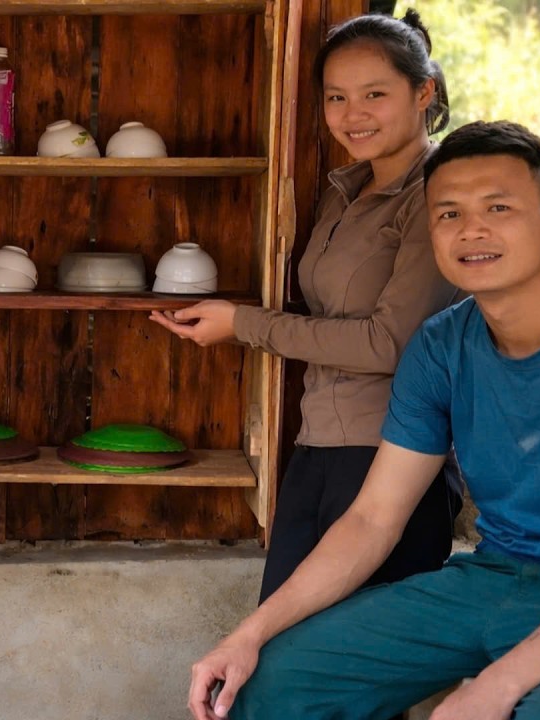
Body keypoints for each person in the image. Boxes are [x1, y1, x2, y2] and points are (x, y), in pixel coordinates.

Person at [186, 120, 540, 720]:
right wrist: (247, 636)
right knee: (265, 687)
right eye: (449, 214)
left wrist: (494, 687)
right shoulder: (441, 347)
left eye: (498, 207)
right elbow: (372, 519)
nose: (473, 230)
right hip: (492, 579)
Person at [151, 10, 462, 601]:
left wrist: (243, 324)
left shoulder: (437, 194)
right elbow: (325, 312)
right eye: (336, 97)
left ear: (423, 92)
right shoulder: (344, 188)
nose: (353, 115)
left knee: (356, 662)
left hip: (391, 456)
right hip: (318, 442)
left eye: (375, 94)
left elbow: (388, 343)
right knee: (284, 646)